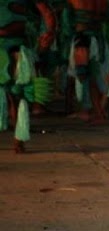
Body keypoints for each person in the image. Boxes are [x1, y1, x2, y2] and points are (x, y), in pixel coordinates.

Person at [0, 0, 56, 153]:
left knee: (17, 94)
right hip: (13, 46)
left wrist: (49, 33)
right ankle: (18, 139)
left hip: (18, 47)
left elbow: (46, 11)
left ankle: (19, 139)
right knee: (13, 96)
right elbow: (46, 12)